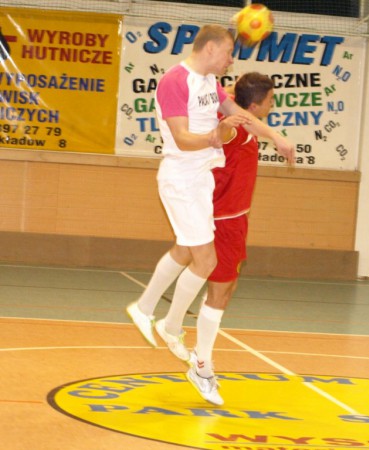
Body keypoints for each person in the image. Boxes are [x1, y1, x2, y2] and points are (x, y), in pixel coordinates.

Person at [126, 25, 294, 405]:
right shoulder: (175, 81)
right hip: (185, 180)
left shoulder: (209, 84)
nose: (232, 59)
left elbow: (237, 113)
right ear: (212, 48)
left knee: (190, 254)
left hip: (201, 181)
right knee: (206, 264)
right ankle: (184, 344)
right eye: (229, 52)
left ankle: (153, 313)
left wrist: (277, 137)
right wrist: (216, 136)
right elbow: (183, 138)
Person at [190, 72, 277, 406]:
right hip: (224, 220)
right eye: (270, 100)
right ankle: (202, 366)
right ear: (254, 106)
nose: (273, 105)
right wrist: (225, 123)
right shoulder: (237, 130)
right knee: (220, 292)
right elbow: (223, 133)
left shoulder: (241, 117)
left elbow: (226, 94)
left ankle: (198, 353)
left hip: (233, 218)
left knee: (225, 289)